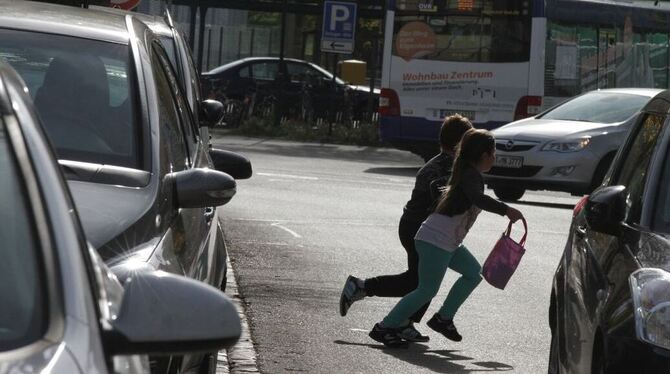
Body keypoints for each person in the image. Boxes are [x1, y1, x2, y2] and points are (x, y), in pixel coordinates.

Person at [368, 129, 524, 347]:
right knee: (427, 289)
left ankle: (443, 318)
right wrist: (505, 210)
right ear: (484, 155)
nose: (495, 157)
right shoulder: (470, 175)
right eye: (494, 152)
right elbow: (478, 198)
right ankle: (385, 326)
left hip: (446, 241)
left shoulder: (468, 172)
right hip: (435, 240)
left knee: (473, 273)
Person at [339, 114, 473, 342]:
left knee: (422, 280)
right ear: (460, 143)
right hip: (418, 228)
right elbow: (440, 197)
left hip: (426, 229)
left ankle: (403, 322)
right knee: (424, 281)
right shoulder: (442, 167)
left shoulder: (448, 164)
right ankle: (363, 289)